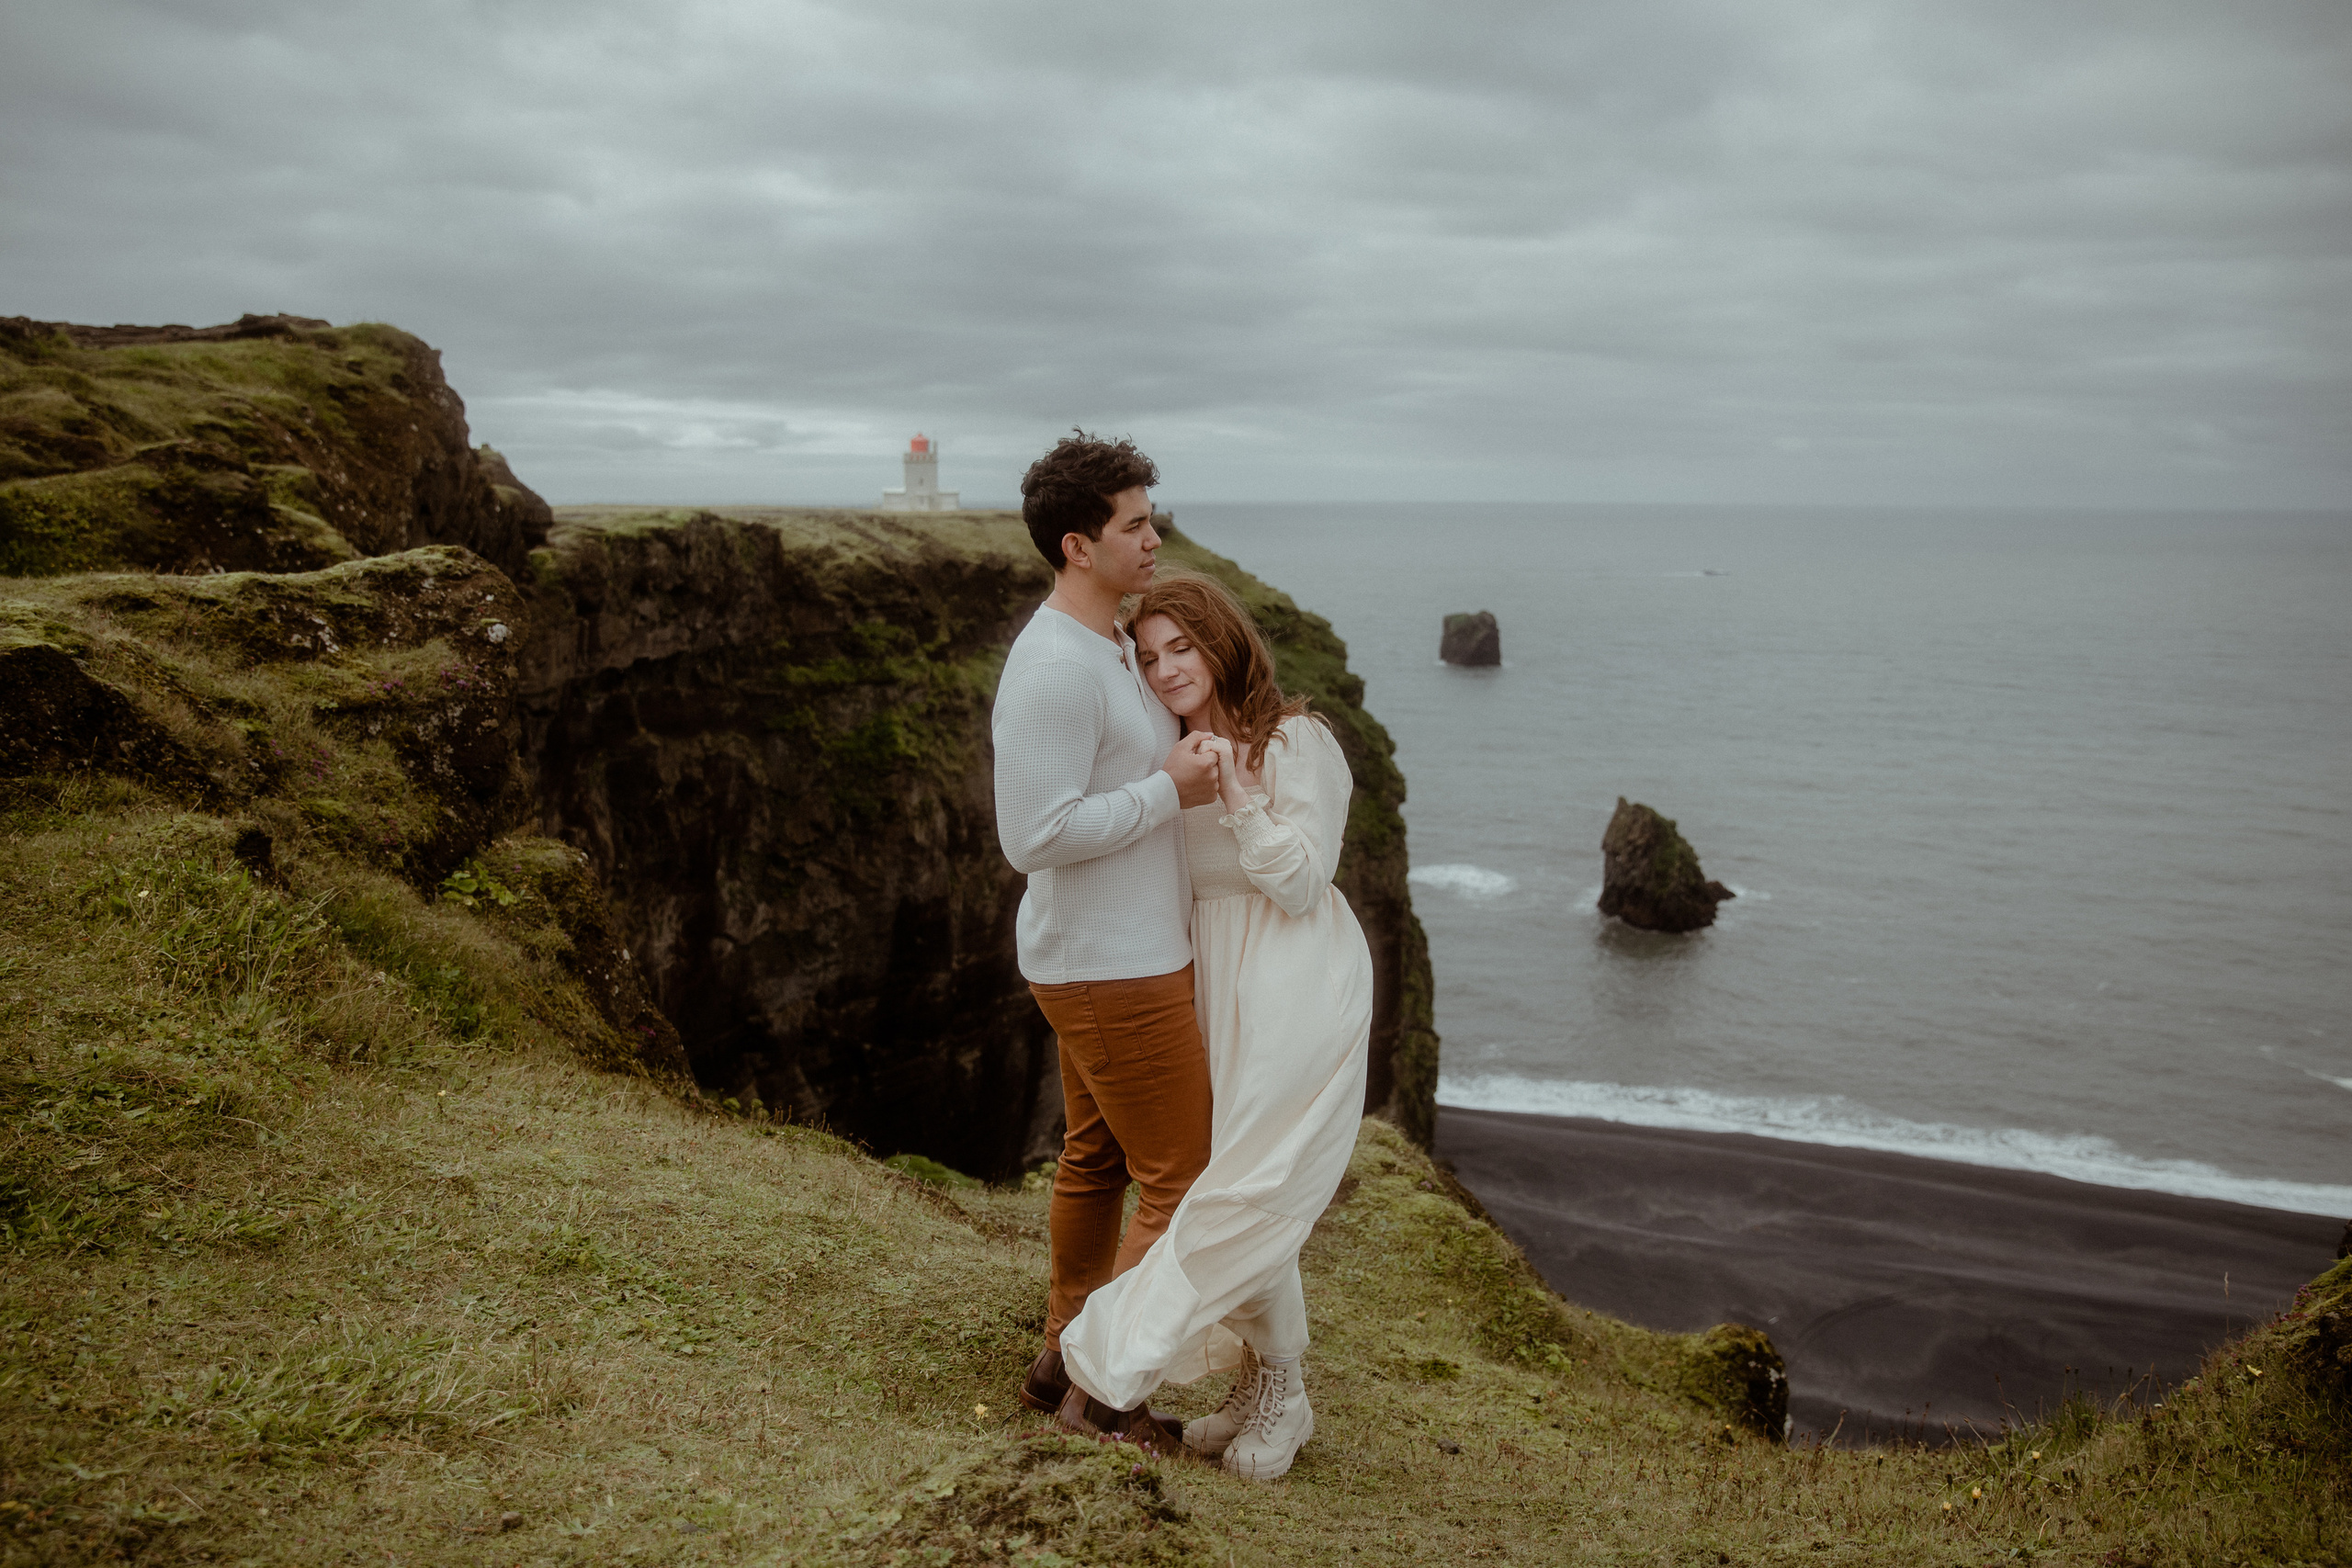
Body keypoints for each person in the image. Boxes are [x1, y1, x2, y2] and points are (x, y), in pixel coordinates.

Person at [1054, 572, 1374, 1481]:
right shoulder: (1170, 750)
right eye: (1148, 657)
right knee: (1224, 1180)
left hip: (1296, 982)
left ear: (1221, 640)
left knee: (1248, 1184)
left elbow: (1303, 883)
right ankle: (1268, 1383)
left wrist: (1238, 797)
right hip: (1208, 980)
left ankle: (1143, 1368)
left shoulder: (1295, 741)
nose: (1164, 670)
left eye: (1180, 647)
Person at [991, 432, 1224, 1449]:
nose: (1154, 536)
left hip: (1114, 952)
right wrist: (1164, 790)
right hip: (1110, 967)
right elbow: (1031, 837)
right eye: (1135, 523)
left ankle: (1061, 1358)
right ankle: (1102, 1392)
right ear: (1079, 546)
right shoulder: (1051, 668)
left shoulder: (1110, 646)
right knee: (1183, 1176)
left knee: (1095, 1158)